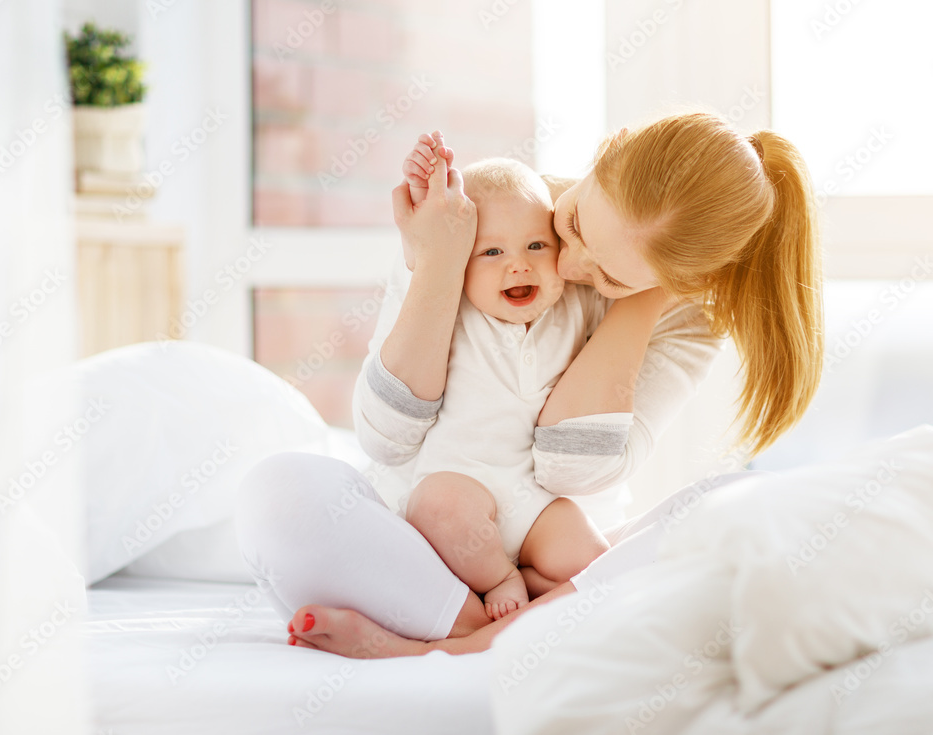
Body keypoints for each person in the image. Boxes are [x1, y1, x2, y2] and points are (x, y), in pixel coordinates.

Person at [234, 111, 823, 657]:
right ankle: (500, 629)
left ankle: (452, 647)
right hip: (420, 547)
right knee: (278, 493)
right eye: (573, 226)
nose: (566, 267)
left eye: (609, 275)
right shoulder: (485, 213)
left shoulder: (689, 318)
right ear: (606, 150)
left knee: (728, 503)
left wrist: (647, 297)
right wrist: (440, 261)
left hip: (566, 559)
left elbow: (569, 469)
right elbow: (385, 437)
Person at [396, 146, 612, 621]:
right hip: (462, 482)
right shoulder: (456, 305)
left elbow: (615, 277)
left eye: (536, 246)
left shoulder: (575, 305)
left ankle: (527, 581)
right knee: (437, 508)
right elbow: (423, 253)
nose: (518, 265)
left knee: (595, 565)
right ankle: (500, 578)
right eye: (491, 252)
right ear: (461, 264)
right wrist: (426, 193)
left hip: (533, 497)